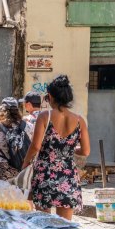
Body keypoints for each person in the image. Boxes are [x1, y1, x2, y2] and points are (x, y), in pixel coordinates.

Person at [22, 75, 90, 220]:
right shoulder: (79, 121)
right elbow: (85, 151)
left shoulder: (44, 116)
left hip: (44, 174)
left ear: (51, 96)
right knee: (64, 226)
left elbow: (35, 146)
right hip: (68, 176)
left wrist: (25, 164)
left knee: (43, 224)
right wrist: (68, 150)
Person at [0, 97, 34, 181]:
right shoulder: (28, 126)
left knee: (5, 192)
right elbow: (34, 146)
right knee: (21, 192)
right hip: (23, 166)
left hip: (3, 167)